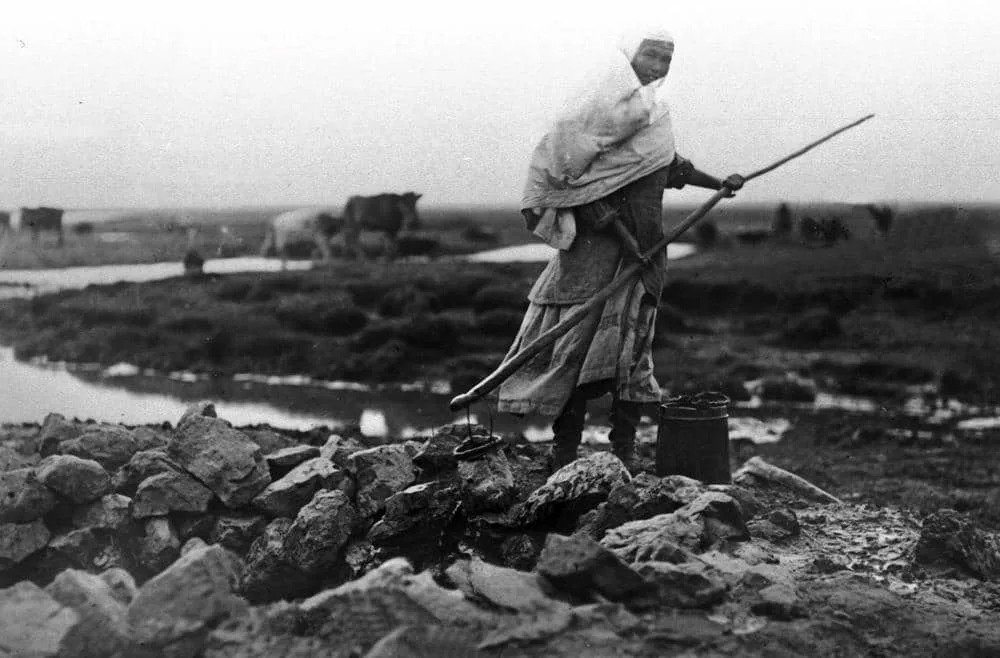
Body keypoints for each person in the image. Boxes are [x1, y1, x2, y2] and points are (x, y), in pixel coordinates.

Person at [497, 27, 744, 472]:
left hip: (647, 249)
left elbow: (670, 168)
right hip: (595, 255)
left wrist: (721, 183)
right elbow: (585, 192)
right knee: (573, 351)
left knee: (631, 351)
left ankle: (623, 451)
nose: (658, 65)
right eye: (651, 54)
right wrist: (629, 244)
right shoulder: (593, 117)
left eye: (667, 58)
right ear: (629, 57)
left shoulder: (654, 117)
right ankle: (565, 451)